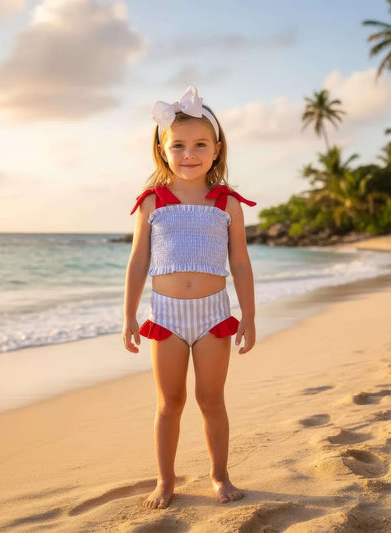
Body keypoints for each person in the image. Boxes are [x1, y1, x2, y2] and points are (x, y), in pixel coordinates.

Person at [122, 86, 256, 510]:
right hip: (165, 316)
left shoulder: (227, 203)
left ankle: (220, 476)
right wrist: (129, 317)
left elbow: (240, 264)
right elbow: (138, 263)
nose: (189, 154)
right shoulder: (151, 204)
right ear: (163, 152)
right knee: (170, 403)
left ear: (216, 150)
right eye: (178, 145)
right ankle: (165, 480)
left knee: (211, 400)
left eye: (200, 144)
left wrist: (248, 317)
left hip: (214, 313)